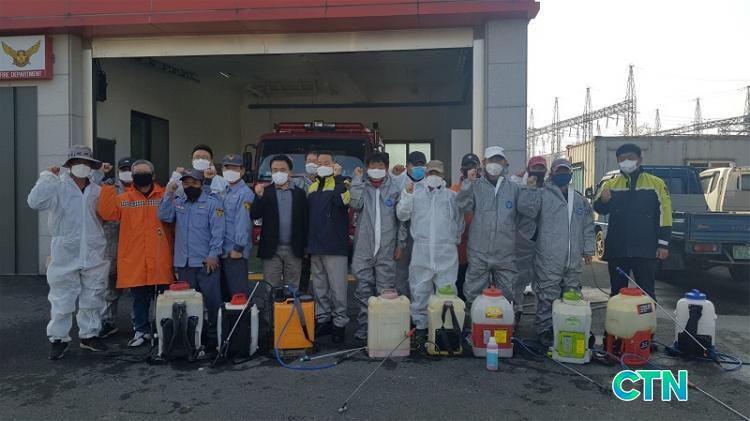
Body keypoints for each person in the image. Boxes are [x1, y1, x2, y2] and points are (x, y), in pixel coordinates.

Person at [27, 145, 110, 359]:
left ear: (91, 166)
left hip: (93, 250)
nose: (81, 166)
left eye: (85, 162)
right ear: (69, 165)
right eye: (77, 162)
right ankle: (59, 339)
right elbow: (34, 202)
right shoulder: (58, 186)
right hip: (65, 250)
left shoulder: (97, 190)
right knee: (62, 297)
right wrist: (47, 177)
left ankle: (90, 335)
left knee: (94, 294)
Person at [97, 159, 175, 347]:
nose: (141, 176)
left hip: (160, 257)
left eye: (144, 172)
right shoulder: (124, 199)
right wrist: (107, 188)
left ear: (153, 175)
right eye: (137, 173)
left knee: (163, 299)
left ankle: (165, 332)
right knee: (139, 299)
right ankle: (141, 331)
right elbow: (106, 213)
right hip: (135, 260)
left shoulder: (164, 196)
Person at [456, 146, 536, 321]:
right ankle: (474, 326)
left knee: (506, 293)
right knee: (474, 292)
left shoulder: (514, 188)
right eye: (491, 160)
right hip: (479, 252)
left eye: (498, 160)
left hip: (505, 253)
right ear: (484, 163)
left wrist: (529, 189)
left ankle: (503, 328)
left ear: (505, 162)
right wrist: (467, 183)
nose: (495, 164)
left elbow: (528, 212)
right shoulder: (475, 186)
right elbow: (461, 206)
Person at [527, 158, 595, 346]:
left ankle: (568, 326)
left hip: (573, 258)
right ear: (552, 173)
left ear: (571, 173)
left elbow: (588, 226)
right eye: (559, 171)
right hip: (548, 256)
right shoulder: (542, 195)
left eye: (566, 171)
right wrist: (529, 189)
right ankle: (545, 329)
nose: (563, 174)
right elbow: (528, 213)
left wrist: (588, 249)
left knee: (572, 294)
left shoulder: (579, 199)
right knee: (547, 294)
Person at [593, 143, 672, 300]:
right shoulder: (610, 184)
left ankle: (647, 316)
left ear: (639, 160)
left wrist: (663, 244)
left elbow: (665, 214)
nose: (626, 162)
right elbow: (599, 209)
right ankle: (618, 316)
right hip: (618, 249)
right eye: (622, 159)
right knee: (617, 293)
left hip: (645, 249)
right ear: (618, 162)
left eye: (630, 158)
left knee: (646, 293)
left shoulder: (656, 184)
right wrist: (603, 201)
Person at [397, 160, 463, 344]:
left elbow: (459, 223)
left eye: (437, 173)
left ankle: (446, 330)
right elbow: (402, 214)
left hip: (446, 251)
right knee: (419, 290)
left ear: (443, 175)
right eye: (431, 172)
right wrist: (407, 195)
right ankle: (421, 328)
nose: (434, 176)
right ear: (426, 174)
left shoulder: (451, 197)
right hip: (422, 250)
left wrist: (452, 241)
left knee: (447, 290)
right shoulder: (415, 194)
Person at [158, 169, 225, 348]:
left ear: (201, 184)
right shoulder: (178, 202)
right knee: (188, 304)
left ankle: (214, 339)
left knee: (212, 302)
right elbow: (164, 216)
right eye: (186, 183)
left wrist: (213, 255)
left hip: (206, 262)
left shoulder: (212, 203)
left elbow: (218, 232)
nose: (190, 186)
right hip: (185, 263)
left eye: (194, 183)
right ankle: (191, 339)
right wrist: (169, 193)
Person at [350, 152, 406, 341]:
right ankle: (365, 327)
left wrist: (400, 244)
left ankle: (384, 327)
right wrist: (357, 180)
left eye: (380, 167)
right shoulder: (362, 186)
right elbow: (355, 204)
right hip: (364, 246)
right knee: (363, 289)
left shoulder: (395, 188)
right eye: (372, 166)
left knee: (386, 289)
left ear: (386, 168)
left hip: (387, 247)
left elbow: (401, 220)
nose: (376, 170)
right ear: (367, 168)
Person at [307, 151, 350, 343]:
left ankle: (339, 323)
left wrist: (338, 178)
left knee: (338, 288)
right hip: (315, 245)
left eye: (327, 162)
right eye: (319, 163)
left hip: (335, 245)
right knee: (319, 286)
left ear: (334, 164)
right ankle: (323, 319)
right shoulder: (312, 187)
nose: (322, 166)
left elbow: (343, 202)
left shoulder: (343, 184)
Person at [251, 155, 308, 288]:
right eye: (275, 170)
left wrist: (305, 247)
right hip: (272, 249)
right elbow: (255, 215)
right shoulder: (265, 192)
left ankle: (290, 303)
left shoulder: (299, 194)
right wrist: (259, 197)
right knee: (271, 287)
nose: (278, 173)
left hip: (294, 249)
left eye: (283, 170)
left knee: (292, 288)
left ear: (290, 172)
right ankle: (271, 303)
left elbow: (305, 222)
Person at [98, 157, 134, 338]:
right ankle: (107, 322)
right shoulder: (108, 187)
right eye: (124, 169)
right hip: (111, 244)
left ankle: (139, 323)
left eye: (130, 169)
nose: (127, 172)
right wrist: (100, 174)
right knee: (109, 287)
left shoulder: (142, 189)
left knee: (137, 289)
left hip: (134, 246)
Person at [510, 155, 548, 327]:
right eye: (535, 168)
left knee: (542, 280)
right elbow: (526, 209)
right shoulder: (521, 187)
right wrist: (528, 187)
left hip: (545, 240)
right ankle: (516, 310)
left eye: (541, 168)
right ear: (528, 169)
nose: (538, 171)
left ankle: (542, 317)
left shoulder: (549, 189)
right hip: (524, 239)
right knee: (518, 278)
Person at [215, 154, 254, 299]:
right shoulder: (223, 191)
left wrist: (238, 248)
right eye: (227, 168)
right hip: (222, 250)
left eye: (235, 168)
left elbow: (243, 222)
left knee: (238, 296)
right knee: (224, 296)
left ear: (242, 171)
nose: (230, 171)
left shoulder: (245, 193)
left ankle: (243, 316)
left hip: (235, 252)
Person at [393, 150, 428, 297]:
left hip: (421, 235)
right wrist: (400, 244)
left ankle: (418, 305)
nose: (419, 168)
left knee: (421, 272)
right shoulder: (397, 182)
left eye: (422, 164)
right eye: (415, 165)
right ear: (407, 166)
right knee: (400, 273)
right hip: (402, 234)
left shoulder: (428, 183)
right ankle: (403, 302)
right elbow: (399, 216)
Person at [450, 153, 481, 300]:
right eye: (467, 167)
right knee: (458, 286)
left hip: (479, 247)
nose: (470, 170)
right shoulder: (454, 190)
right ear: (462, 170)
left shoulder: (484, 189)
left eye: (473, 167)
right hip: (459, 247)